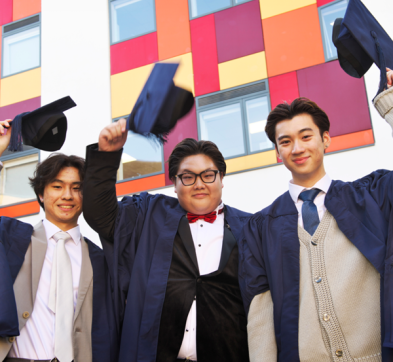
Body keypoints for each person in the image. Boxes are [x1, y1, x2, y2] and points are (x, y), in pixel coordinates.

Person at [239, 69, 393, 362]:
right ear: (277, 153)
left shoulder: (372, 197)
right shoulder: (260, 228)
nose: (297, 148)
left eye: (306, 136)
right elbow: (260, 313)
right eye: (285, 142)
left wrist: (392, 103)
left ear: (326, 140)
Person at [82, 119, 251, 362]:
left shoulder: (251, 228)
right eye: (188, 177)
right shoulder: (149, 214)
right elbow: (101, 215)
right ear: (174, 183)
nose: (199, 184)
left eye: (208, 175)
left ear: (221, 178)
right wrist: (106, 157)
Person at [0, 120, 118, 362]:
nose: (67, 195)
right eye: (57, 186)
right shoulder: (13, 238)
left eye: (77, 188)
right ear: (41, 194)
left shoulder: (101, 258)